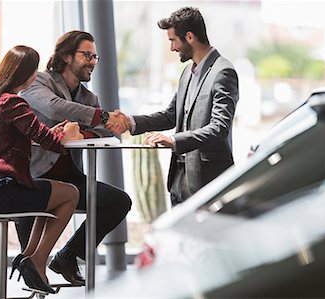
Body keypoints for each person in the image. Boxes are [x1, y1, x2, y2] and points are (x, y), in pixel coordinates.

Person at [19, 30, 132, 286]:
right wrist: (102, 117)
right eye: (87, 55)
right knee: (28, 265)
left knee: (118, 201)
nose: (92, 61)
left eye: (95, 56)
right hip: (35, 179)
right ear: (67, 56)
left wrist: (81, 133)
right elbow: (54, 107)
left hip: (70, 180)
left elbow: (106, 133)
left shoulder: (89, 98)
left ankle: (68, 256)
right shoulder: (38, 81)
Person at [0, 45, 82, 293]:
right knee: (71, 194)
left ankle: (28, 257)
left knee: (48, 195)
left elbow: (22, 135)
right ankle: (38, 259)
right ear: (24, 73)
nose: (36, 76)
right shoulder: (13, 102)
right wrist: (68, 135)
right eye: (34, 70)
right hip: (0, 191)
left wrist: (49, 134)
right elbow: (50, 142)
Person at [116, 7, 239, 206]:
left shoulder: (223, 72)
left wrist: (173, 140)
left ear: (189, 36)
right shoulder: (187, 73)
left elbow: (220, 128)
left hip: (208, 181)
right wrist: (129, 122)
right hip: (179, 181)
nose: (172, 48)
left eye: (173, 40)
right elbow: (170, 116)